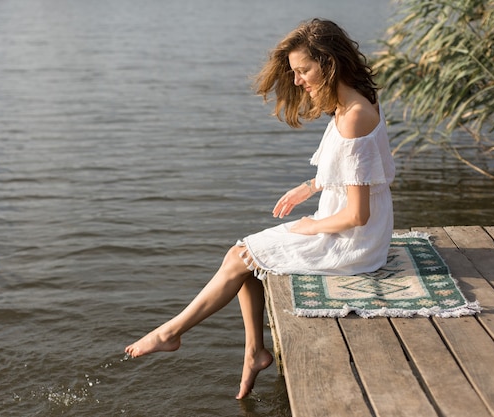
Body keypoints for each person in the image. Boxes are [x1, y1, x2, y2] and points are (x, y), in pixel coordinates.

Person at [125, 18, 395, 400]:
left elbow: (357, 215)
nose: (299, 81)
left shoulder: (353, 117)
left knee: (240, 256)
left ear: (329, 62)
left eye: (304, 71)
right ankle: (255, 351)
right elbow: (364, 172)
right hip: (353, 229)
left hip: (353, 241)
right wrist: (309, 187)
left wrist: (310, 227)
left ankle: (171, 333)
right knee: (247, 258)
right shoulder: (353, 103)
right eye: (295, 72)